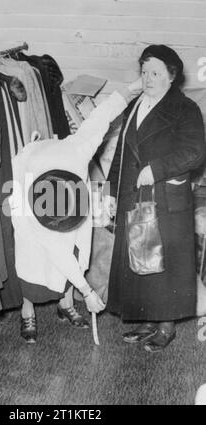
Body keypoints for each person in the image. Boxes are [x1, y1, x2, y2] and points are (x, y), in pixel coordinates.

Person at [8, 78, 143, 343]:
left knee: (76, 250)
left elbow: (101, 116)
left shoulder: (77, 150)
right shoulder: (33, 206)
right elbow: (56, 249)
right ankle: (27, 310)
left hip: (53, 173)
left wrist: (132, 87)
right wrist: (89, 292)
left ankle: (65, 304)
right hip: (27, 183)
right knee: (32, 255)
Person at [106, 44, 206, 352]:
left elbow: (194, 152)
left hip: (165, 196)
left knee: (163, 263)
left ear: (172, 77)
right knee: (140, 259)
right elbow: (121, 152)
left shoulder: (185, 108)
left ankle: (167, 325)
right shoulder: (136, 105)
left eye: (155, 73)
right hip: (132, 194)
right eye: (144, 72)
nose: (148, 78)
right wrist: (110, 192)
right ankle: (148, 319)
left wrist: (156, 169)